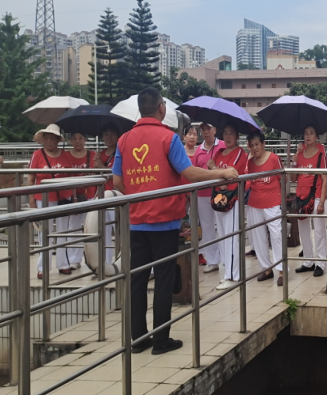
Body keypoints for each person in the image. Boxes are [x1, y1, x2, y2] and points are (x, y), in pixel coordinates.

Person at [113, 87, 238, 355]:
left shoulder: (124, 140)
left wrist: (140, 194)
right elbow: (189, 173)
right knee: (164, 280)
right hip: (165, 220)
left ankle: (138, 339)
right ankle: (161, 340)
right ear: (161, 108)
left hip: (136, 221)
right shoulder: (168, 138)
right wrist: (222, 173)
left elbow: (118, 182)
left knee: (137, 280)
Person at [28, 124, 73, 279]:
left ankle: (63, 264)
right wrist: (31, 201)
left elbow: (72, 177)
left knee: (62, 231)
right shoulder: (37, 155)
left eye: (52, 138)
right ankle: (43, 267)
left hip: (63, 198)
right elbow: (30, 179)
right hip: (43, 198)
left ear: (58, 140)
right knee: (44, 233)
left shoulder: (66, 155)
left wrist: (73, 197)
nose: (48, 141)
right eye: (46, 138)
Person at [207, 124, 248, 290]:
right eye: (225, 133)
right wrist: (218, 172)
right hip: (218, 196)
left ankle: (232, 275)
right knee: (222, 235)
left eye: (231, 133)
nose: (228, 136)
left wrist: (214, 169)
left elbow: (232, 173)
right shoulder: (218, 152)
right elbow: (213, 169)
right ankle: (226, 272)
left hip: (232, 197)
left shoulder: (239, 152)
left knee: (231, 236)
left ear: (237, 136)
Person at [246, 131, 285, 286]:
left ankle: (281, 269)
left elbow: (283, 179)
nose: (255, 148)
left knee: (276, 235)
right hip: (255, 203)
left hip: (273, 202)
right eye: (252, 145)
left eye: (257, 144)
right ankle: (266, 269)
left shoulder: (274, 159)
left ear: (263, 144)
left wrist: (282, 200)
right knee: (258, 236)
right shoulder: (250, 163)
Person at [292, 125, 327, 278]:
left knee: (319, 231)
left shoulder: (321, 155)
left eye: (311, 133)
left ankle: (321, 263)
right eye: (306, 133)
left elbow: (325, 179)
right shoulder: (300, 155)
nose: (308, 136)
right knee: (303, 231)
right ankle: (308, 261)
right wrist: (294, 163)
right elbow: (293, 178)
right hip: (301, 197)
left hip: (316, 196)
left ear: (316, 137)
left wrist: (322, 202)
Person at [193, 123, 226, 272]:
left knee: (223, 225)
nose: (206, 132)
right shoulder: (198, 150)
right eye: (203, 130)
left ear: (215, 130)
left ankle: (226, 259)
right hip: (203, 193)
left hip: (220, 193)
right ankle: (212, 260)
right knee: (207, 227)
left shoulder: (222, 146)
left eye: (208, 129)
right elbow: (194, 171)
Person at [66, 132, 96, 271]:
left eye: (81, 138)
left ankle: (92, 258)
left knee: (91, 227)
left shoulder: (93, 155)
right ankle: (74, 259)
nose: (78, 141)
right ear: (70, 141)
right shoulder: (66, 156)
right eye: (74, 138)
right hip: (73, 196)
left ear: (85, 140)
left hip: (89, 194)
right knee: (73, 227)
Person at [94, 123, 120, 265]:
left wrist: (101, 167)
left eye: (112, 134)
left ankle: (121, 260)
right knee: (103, 230)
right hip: (102, 194)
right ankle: (105, 262)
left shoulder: (121, 153)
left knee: (119, 228)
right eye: (106, 134)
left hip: (116, 194)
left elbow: (119, 172)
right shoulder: (100, 154)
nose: (109, 137)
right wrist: (97, 167)